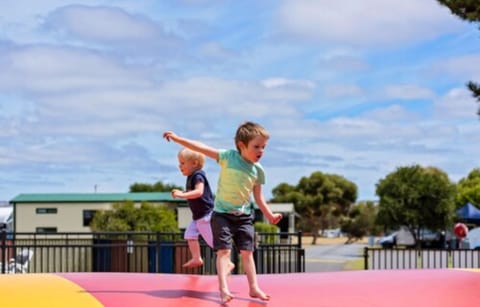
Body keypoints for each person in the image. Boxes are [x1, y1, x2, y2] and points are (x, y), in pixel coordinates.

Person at [164, 121, 282, 304]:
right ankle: (224, 289)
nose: (261, 151)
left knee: (247, 253)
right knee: (223, 252)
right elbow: (201, 148)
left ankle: (253, 287)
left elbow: (258, 198)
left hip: (243, 217)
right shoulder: (228, 157)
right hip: (221, 215)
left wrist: (270, 215)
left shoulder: (258, 171)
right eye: (256, 146)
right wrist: (178, 139)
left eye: (264, 147)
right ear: (242, 146)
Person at [170, 148, 214, 268]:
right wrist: (182, 192)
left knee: (213, 243)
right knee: (189, 235)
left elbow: (199, 192)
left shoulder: (198, 175)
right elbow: (192, 192)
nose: (180, 166)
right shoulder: (190, 177)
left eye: (183, 163)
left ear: (194, 163)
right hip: (198, 216)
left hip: (205, 216)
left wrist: (182, 195)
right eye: (179, 163)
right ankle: (196, 258)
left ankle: (226, 259)